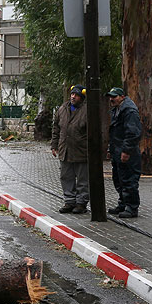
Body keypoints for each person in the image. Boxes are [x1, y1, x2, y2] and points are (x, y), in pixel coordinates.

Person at [51, 84, 89, 214]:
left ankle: (81, 203)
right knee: (66, 177)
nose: (73, 97)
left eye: (77, 95)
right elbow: (56, 128)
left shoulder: (87, 110)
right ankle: (69, 201)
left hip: (81, 151)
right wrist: (54, 145)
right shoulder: (63, 109)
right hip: (65, 150)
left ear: (82, 97)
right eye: (72, 94)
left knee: (83, 179)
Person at [106, 87, 142, 218]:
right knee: (119, 179)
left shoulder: (129, 111)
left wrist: (126, 151)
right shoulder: (117, 110)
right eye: (110, 96)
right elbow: (114, 132)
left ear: (122, 97)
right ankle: (123, 204)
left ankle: (132, 207)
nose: (111, 99)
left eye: (114, 96)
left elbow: (133, 133)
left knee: (129, 180)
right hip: (117, 150)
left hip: (128, 152)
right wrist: (111, 149)